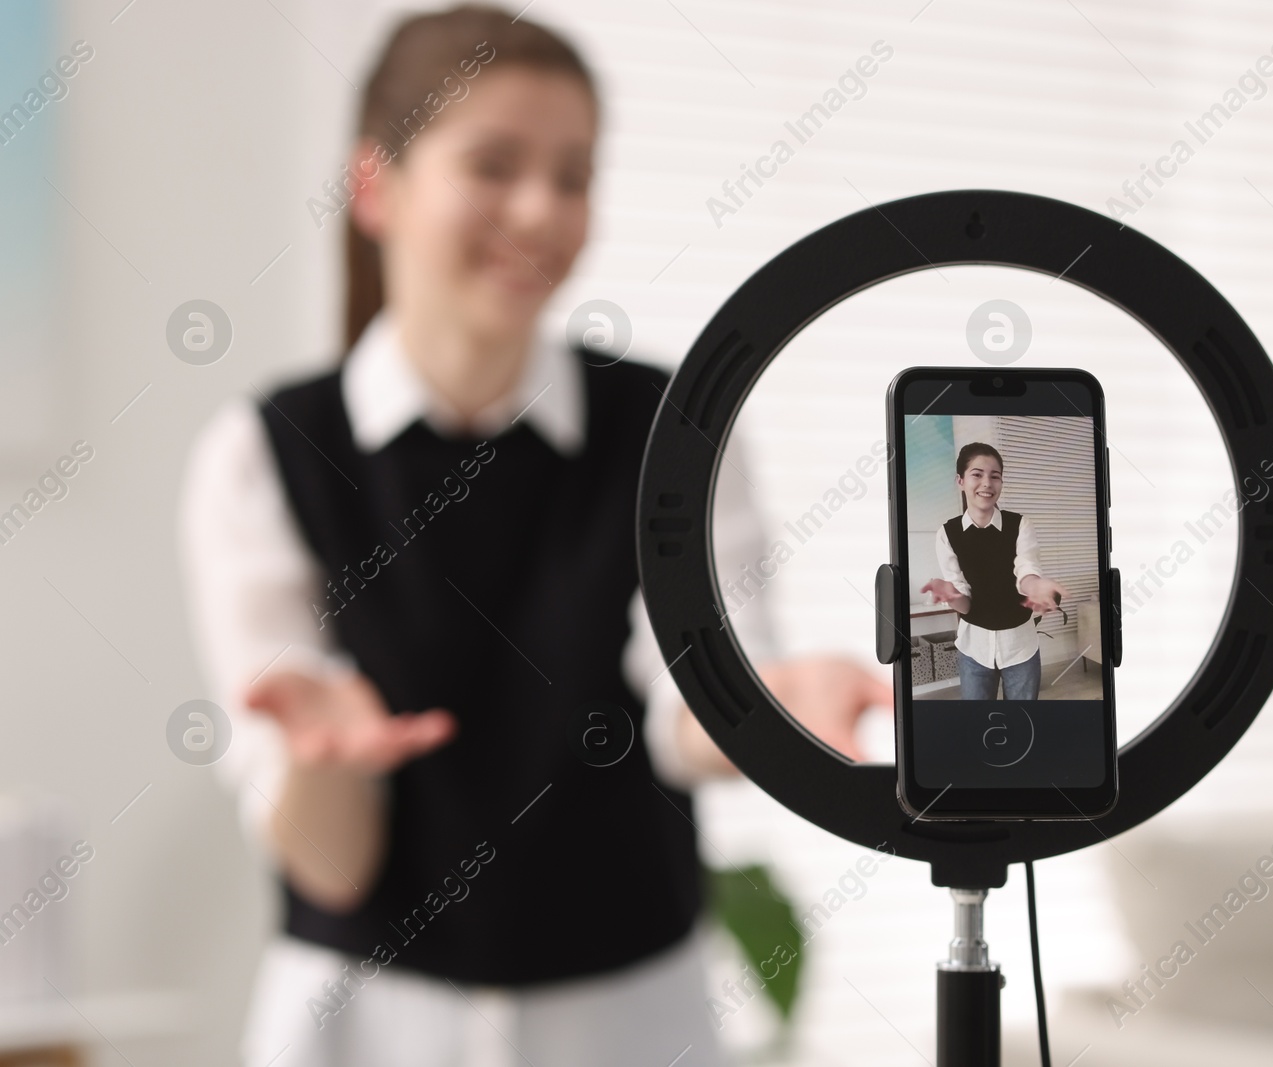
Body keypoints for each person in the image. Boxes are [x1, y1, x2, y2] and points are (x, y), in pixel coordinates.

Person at [178, 8, 889, 1066]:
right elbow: (330, 863)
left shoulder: (672, 430)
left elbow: (685, 710)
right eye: (494, 164)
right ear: (377, 187)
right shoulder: (266, 453)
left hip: (632, 1016)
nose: (540, 210)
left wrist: (757, 707)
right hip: (364, 1025)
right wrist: (325, 757)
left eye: (572, 174)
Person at [919, 442, 1070, 700]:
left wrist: (1034, 586)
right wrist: (952, 594)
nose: (987, 483)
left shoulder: (1020, 524)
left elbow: (1026, 567)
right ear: (960, 480)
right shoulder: (947, 533)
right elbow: (966, 603)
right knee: (977, 727)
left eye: (995, 476)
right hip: (973, 650)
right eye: (977, 474)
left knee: (1023, 724)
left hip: (1020, 648)